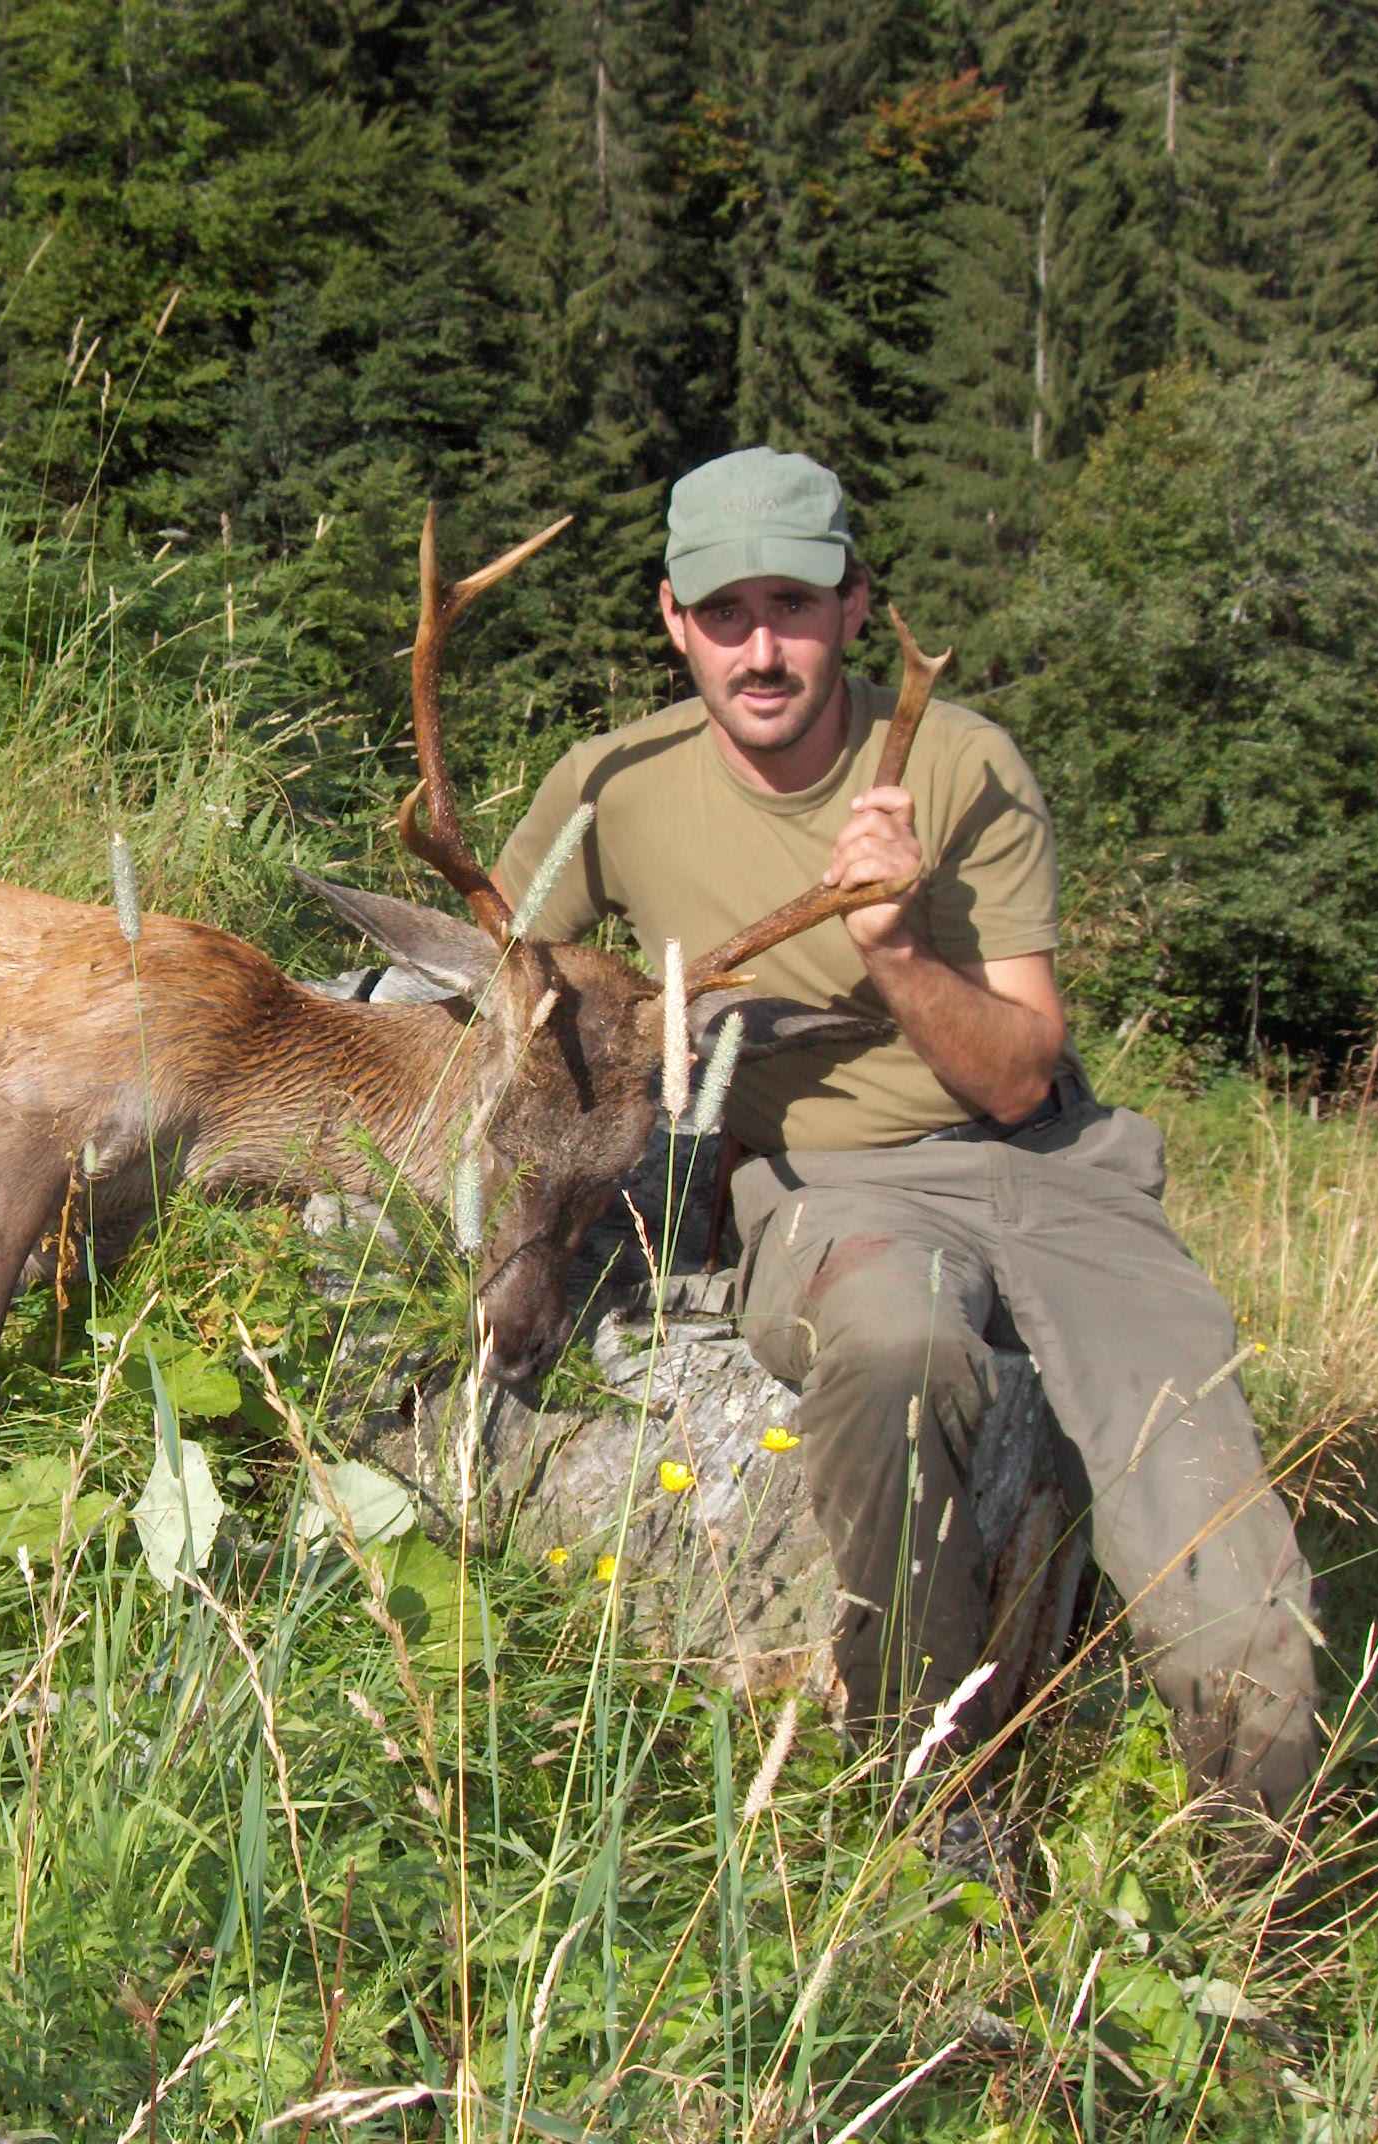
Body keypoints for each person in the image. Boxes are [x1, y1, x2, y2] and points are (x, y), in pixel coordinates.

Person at [491, 447, 1322, 1827]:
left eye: (797, 606)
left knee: (1235, 1604)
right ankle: (929, 1807)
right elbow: (501, 977)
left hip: (1055, 1170)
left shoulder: (962, 763)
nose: (762, 647)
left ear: (857, 607)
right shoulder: (615, 784)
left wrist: (889, 947)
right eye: (726, 609)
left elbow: (1014, 1078)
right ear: (672, 618)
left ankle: (1250, 1917)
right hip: (833, 1181)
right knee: (893, 1345)